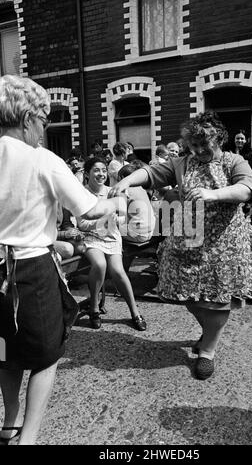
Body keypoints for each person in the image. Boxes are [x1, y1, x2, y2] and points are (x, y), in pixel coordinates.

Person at [0, 75, 126, 445]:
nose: (43, 129)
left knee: (4, 352)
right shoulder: (43, 160)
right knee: (46, 356)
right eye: (42, 121)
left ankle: (9, 424)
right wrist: (118, 201)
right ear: (26, 119)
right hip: (30, 270)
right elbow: (88, 210)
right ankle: (29, 438)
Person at [109, 111, 252, 381]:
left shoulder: (233, 161)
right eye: (194, 145)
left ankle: (207, 350)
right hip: (187, 241)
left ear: (219, 139)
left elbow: (249, 189)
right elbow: (150, 173)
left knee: (217, 302)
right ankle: (209, 334)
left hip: (223, 244)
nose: (200, 150)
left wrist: (213, 194)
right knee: (186, 295)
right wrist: (125, 180)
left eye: (206, 144)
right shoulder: (182, 163)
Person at [76, 157, 146, 331]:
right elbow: (82, 224)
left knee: (118, 271)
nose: (101, 174)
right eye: (96, 170)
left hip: (112, 236)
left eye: (104, 170)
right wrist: (101, 222)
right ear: (87, 174)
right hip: (91, 236)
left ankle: (134, 312)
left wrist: (117, 219)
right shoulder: (81, 194)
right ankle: (93, 307)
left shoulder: (113, 192)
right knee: (99, 265)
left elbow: (123, 217)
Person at [118, 162, 156, 243]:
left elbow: (121, 218)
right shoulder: (142, 189)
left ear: (122, 178)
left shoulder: (124, 191)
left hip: (137, 235)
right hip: (151, 232)